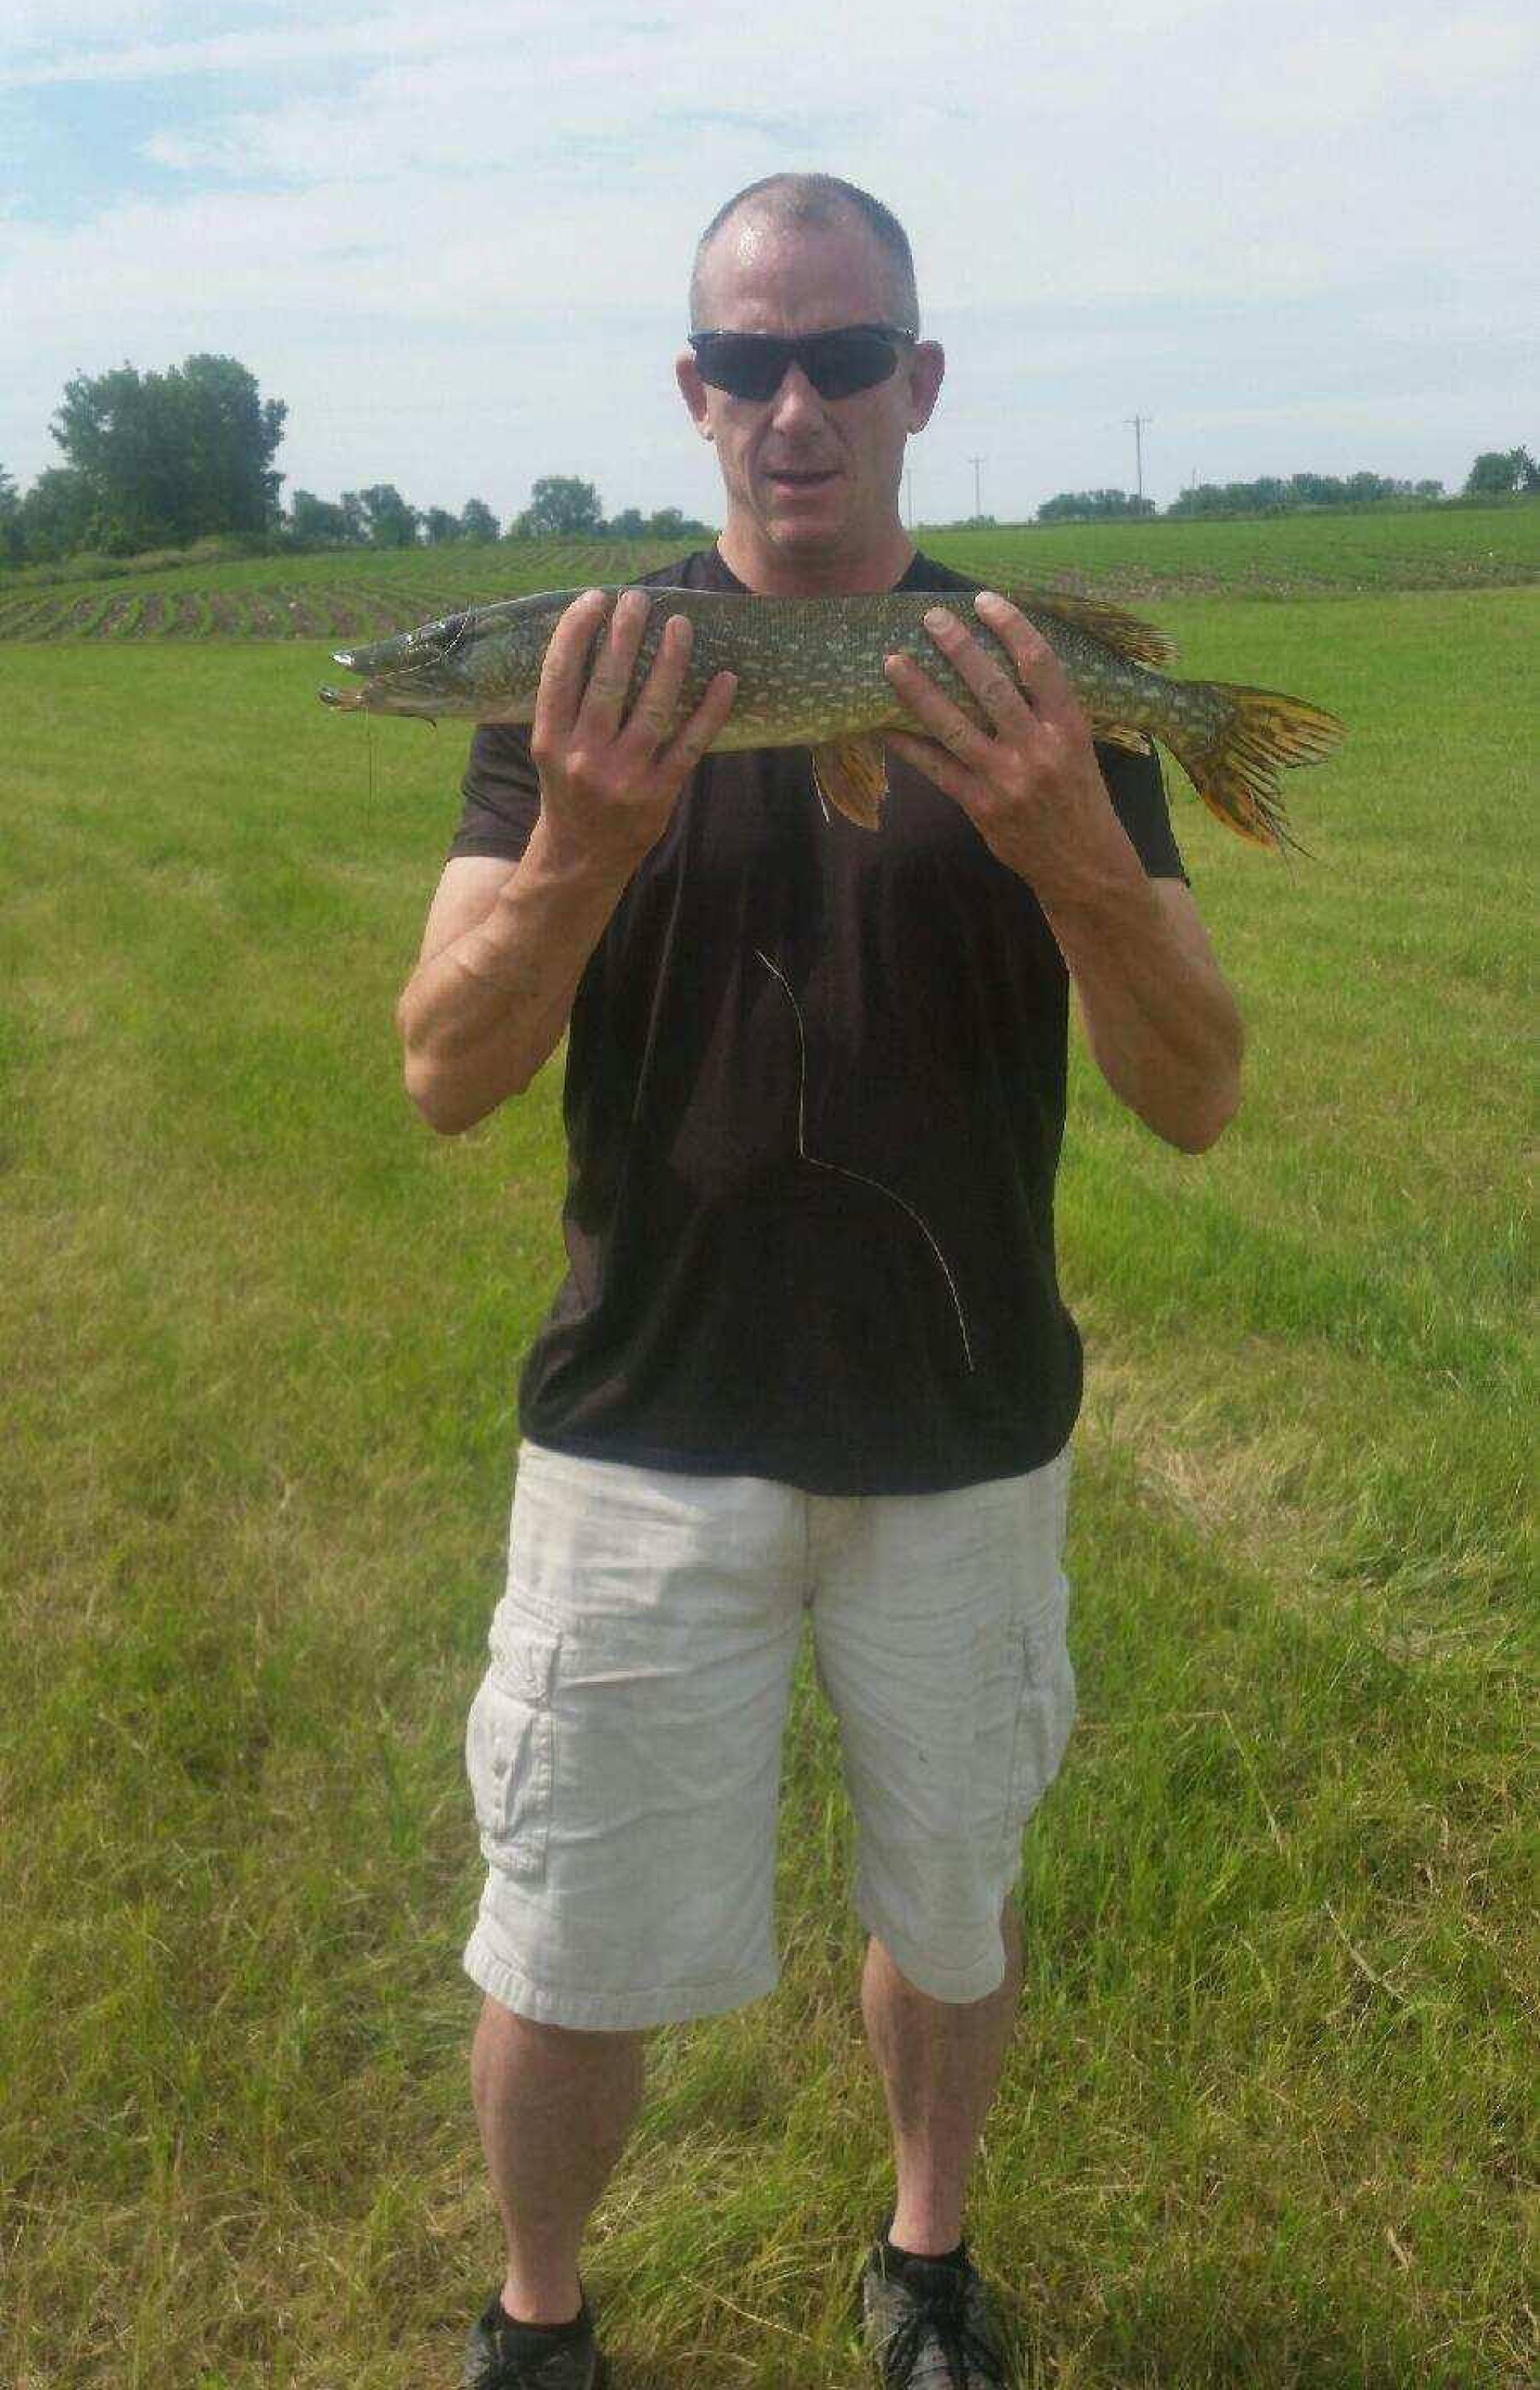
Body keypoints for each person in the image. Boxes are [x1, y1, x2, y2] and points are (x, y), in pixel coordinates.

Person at [396, 175, 1243, 2390]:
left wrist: (1079, 843)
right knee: (566, 1934)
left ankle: (928, 2261)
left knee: (950, 1908)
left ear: (916, 388)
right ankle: (539, 2316)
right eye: (752, 363)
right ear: (694, 397)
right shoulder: (583, 678)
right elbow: (442, 1074)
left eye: (844, 357)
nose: (799, 404)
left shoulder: (1010, 677)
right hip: (644, 1412)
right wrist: (581, 836)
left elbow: (1199, 1094)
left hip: (960, 1421)